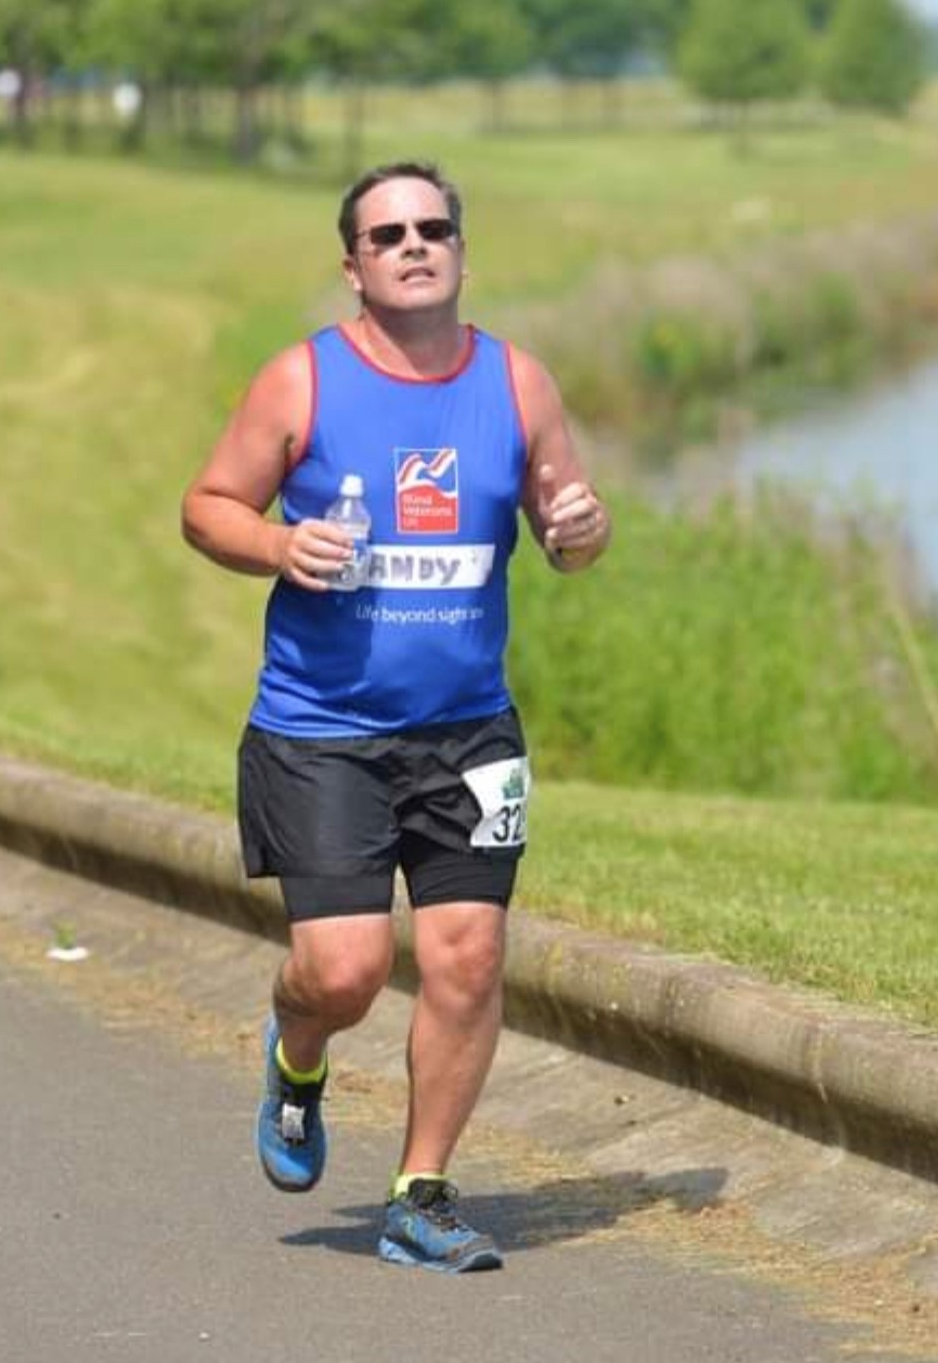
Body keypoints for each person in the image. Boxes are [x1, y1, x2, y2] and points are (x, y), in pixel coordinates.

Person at [181, 160, 610, 1273]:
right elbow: (207, 506)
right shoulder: (303, 382)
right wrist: (280, 544)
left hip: (470, 732)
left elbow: (572, 533)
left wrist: (580, 529)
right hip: (321, 729)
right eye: (387, 235)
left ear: (461, 250)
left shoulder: (518, 383)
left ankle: (421, 1192)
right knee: (346, 969)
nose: (413, 245)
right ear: (354, 266)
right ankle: (299, 1049)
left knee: (467, 956)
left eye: (433, 228)